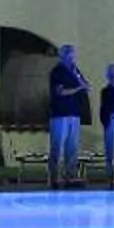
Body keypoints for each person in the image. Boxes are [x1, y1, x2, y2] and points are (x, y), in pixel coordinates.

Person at [45, 42, 89, 186]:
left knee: (72, 147)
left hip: (74, 114)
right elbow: (60, 92)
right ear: (62, 56)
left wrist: (83, 86)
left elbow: (83, 85)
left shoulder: (75, 70)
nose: (72, 57)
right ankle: (54, 177)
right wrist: (78, 88)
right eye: (68, 55)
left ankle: (71, 175)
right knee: (57, 146)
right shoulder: (57, 71)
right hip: (60, 114)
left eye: (73, 54)